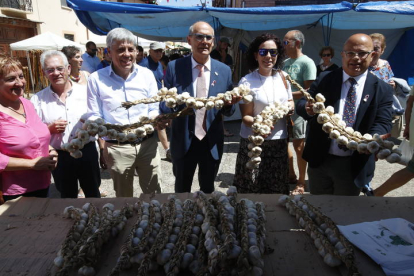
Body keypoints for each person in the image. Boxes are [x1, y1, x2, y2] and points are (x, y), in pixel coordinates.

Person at [296, 33, 394, 196]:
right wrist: (306, 108)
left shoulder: (382, 89)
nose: (355, 58)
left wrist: (368, 140)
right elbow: (302, 103)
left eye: (362, 53)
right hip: (320, 161)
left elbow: (383, 122)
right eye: (350, 53)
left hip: (354, 164)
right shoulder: (325, 79)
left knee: (345, 214)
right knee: (318, 209)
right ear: (342, 55)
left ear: (373, 55)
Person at [161, 21, 240, 193]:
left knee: (208, 190)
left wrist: (229, 104)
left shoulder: (224, 70)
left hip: (211, 141)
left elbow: (229, 110)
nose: (204, 41)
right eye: (199, 37)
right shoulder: (175, 67)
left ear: (213, 42)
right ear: (189, 40)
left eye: (208, 37)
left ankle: (207, 220)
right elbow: (164, 105)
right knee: (182, 190)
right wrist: (173, 104)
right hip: (183, 141)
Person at [87, 27, 162, 197]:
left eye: (130, 49)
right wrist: (103, 142)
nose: (127, 54)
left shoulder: (147, 75)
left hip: (147, 144)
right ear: (108, 52)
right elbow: (94, 114)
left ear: (136, 51)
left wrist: (154, 120)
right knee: (124, 198)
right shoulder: (96, 79)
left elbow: (153, 107)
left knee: (154, 195)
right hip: (117, 148)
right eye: (120, 49)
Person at [30, 51, 101, 198]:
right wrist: (49, 129)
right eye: (50, 70)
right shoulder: (37, 100)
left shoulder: (86, 92)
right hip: (60, 157)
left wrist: (102, 148)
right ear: (44, 72)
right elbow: (32, 133)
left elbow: (99, 119)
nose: (56, 73)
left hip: (87, 151)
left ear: (68, 68)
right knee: (67, 198)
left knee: (93, 194)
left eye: (60, 68)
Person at [233, 33, 294, 194]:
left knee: (276, 191)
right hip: (253, 142)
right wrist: (260, 123)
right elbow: (246, 117)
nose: (268, 56)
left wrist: (290, 108)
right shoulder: (247, 81)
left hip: (278, 143)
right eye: (263, 52)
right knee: (251, 190)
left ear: (278, 55)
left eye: (273, 52)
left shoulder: (284, 77)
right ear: (255, 55)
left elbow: (290, 101)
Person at [0, 56, 57, 204]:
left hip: (43, 184)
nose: (20, 83)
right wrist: (32, 164)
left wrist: (51, 150)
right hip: (14, 193)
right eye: (11, 79)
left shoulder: (27, 104)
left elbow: (36, 136)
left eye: (21, 76)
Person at [283, 30, 317, 195]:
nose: (284, 45)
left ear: (296, 43)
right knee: (284, 141)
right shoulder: (285, 62)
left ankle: (302, 182)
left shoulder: (307, 62)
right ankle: (291, 173)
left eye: (286, 41)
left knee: (299, 145)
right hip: (284, 109)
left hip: (299, 110)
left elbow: (310, 90)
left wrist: (287, 95)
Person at [139, 42, 171, 162]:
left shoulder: (159, 64)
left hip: (157, 99)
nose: (159, 53)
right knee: (145, 128)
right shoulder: (143, 65)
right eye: (156, 51)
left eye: (161, 51)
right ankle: (139, 158)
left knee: (160, 124)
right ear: (150, 51)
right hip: (146, 101)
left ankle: (167, 150)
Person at [210, 37, 235, 137]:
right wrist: (223, 58)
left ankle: (221, 128)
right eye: (224, 44)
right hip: (213, 83)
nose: (225, 47)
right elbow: (216, 68)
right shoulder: (213, 54)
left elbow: (227, 70)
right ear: (219, 43)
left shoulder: (228, 56)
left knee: (222, 107)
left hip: (224, 83)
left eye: (226, 46)